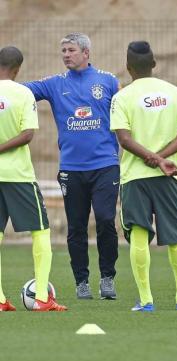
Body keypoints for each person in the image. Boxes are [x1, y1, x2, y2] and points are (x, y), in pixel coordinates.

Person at [24, 33, 120, 300]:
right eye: (63, 50)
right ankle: (82, 281)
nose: (66, 54)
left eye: (71, 50)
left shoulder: (108, 81)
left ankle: (108, 277)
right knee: (76, 226)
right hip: (71, 168)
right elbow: (21, 90)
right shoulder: (55, 84)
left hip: (105, 164)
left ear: (86, 52)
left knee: (105, 219)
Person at [110, 41, 177, 312]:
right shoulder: (174, 92)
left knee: (137, 234)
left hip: (135, 176)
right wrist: (162, 159)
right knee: (174, 236)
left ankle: (146, 300)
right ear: (154, 64)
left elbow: (124, 139)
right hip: (167, 175)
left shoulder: (122, 97)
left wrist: (153, 159)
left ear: (128, 66)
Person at [0, 46, 67, 311]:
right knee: (41, 231)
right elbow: (28, 134)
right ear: (17, 69)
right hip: (18, 175)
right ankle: (41, 297)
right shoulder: (23, 93)